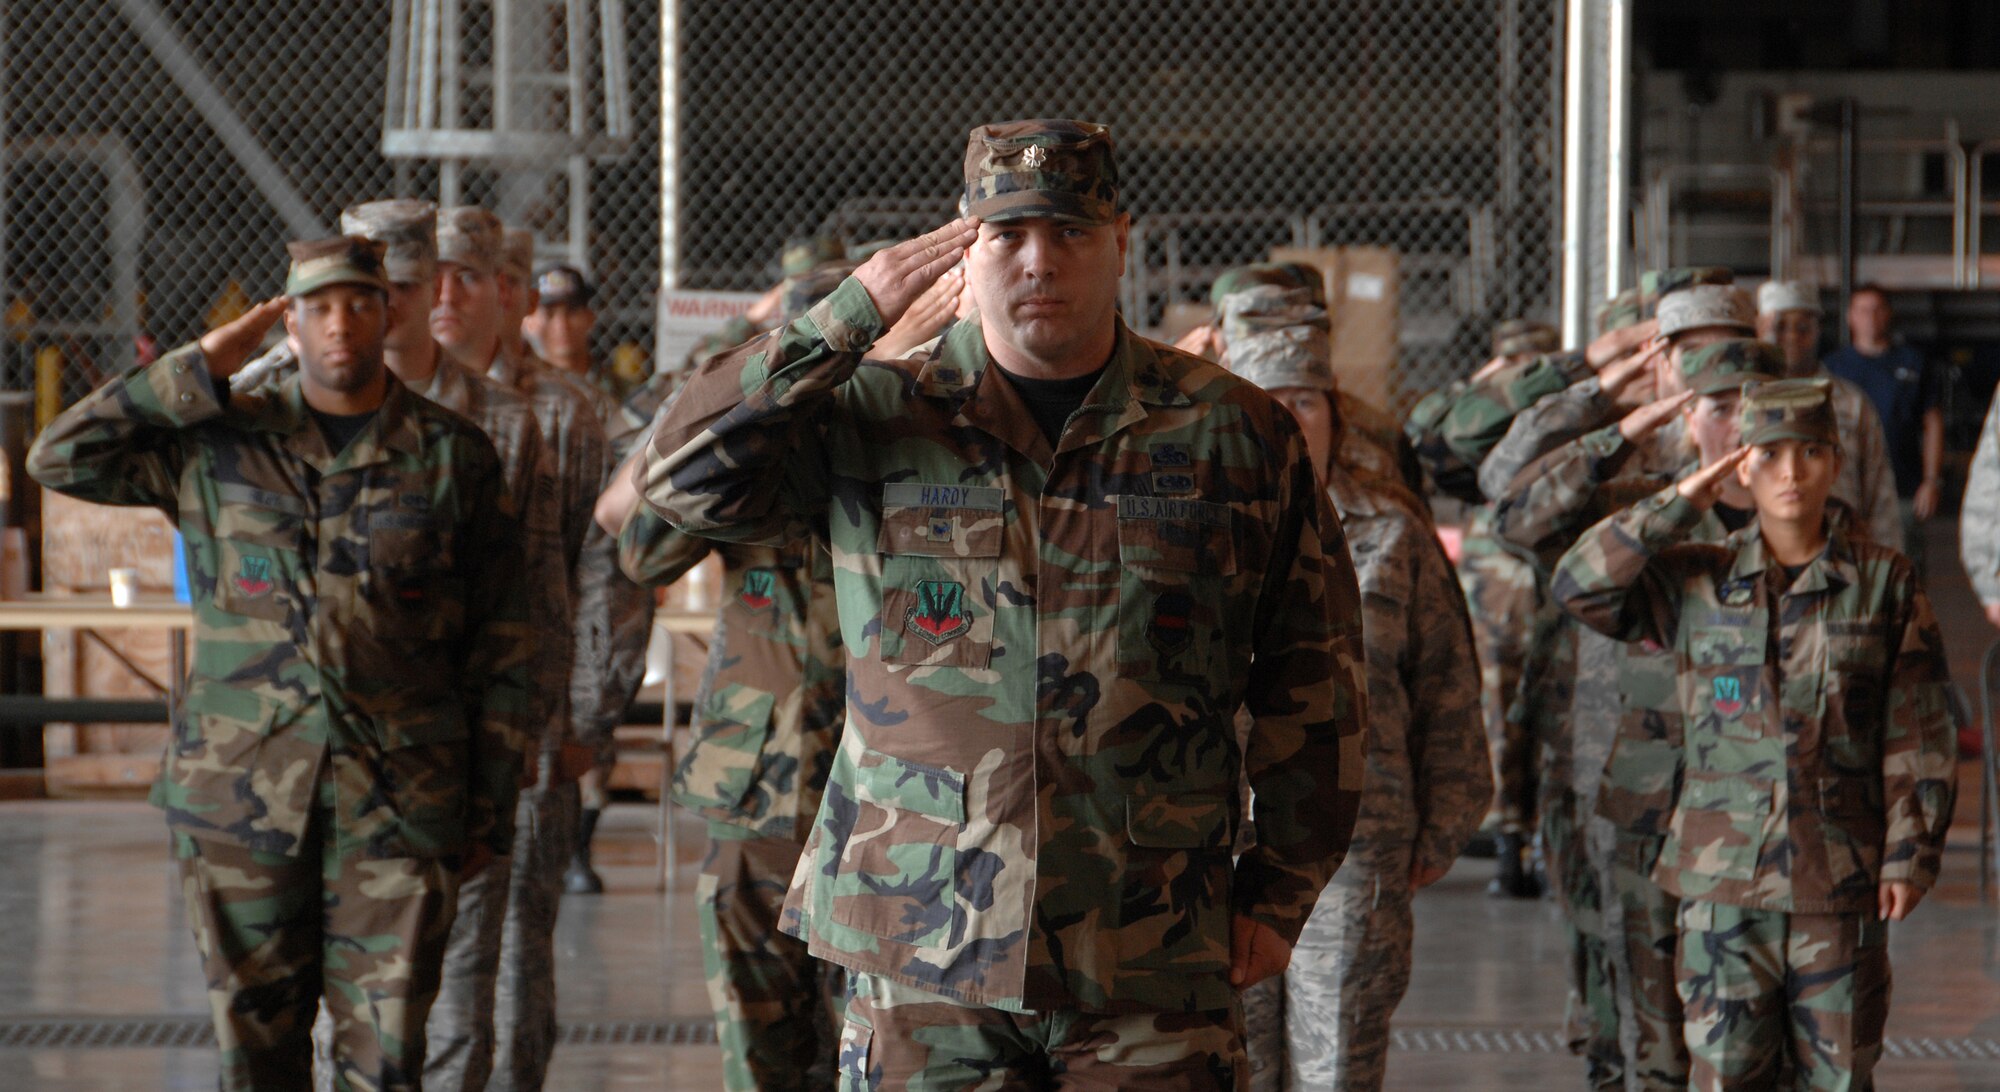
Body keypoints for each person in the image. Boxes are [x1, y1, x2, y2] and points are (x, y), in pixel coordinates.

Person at [639, 118, 1367, 1086]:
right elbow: (676, 486)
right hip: (921, 949)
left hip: (1146, 947)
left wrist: (1279, 893)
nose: (1038, 261)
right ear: (963, 247)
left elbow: (1312, 673)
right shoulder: (875, 413)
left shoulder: (1228, 432)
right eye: (1007, 235)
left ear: (1120, 240)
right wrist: (844, 319)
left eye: (1068, 232)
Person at [28, 236, 532, 1091]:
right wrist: (197, 366)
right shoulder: (216, 442)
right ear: (288, 324)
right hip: (239, 800)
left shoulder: (453, 455)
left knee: (389, 1056)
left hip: (403, 804)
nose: (341, 325)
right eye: (319, 307)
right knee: (253, 1050)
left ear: (390, 312)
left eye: (360, 304)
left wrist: (487, 807)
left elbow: (506, 638)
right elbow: (60, 456)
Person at [1554, 378, 1956, 1090]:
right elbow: (1579, 586)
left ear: (1836, 462)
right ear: (1740, 465)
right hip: (1721, 892)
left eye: (1810, 452)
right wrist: (1678, 504)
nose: (1791, 472)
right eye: (1769, 454)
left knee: (1837, 1079)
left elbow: (1917, 729)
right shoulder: (1694, 578)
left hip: (1839, 886)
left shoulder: (1882, 582)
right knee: (1725, 1076)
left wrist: (1908, 854)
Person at [1492, 337, 1791, 1090]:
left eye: (1759, 410)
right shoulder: (1641, 513)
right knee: (1645, 1032)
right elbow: (1515, 519)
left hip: (1771, 822)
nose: (1742, 428)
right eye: (1721, 410)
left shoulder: (1814, 531)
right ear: (1690, 420)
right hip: (1656, 805)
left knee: (1767, 1039)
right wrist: (1619, 432)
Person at [1224, 295, 1487, 1092]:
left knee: (1336, 1062)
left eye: (1304, 400)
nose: (1288, 419)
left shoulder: (1394, 536)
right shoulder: (1190, 528)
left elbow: (1448, 688)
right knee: (1222, 1061)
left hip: (1353, 850)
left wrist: (1439, 832)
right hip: (1217, 847)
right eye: (1265, 403)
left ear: (1335, 414)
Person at [426, 206, 619, 1091]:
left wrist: (584, 712)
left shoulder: (567, 410)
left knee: (514, 948)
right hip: (426, 728)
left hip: (533, 720)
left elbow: (598, 571)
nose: (444, 296)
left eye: (473, 276)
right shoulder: (405, 399)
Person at [1756, 280, 1902, 551]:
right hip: (1764, 559)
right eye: (1780, 326)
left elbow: (1879, 490)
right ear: (1760, 329)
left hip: (1843, 554)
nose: (1791, 337)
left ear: (1817, 330)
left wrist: (1888, 568)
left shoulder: (1850, 401)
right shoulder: (1746, 404)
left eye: (1803, 327)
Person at [1823, 285, 1944, 567]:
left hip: (1902, 488)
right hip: (1845, 490)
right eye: (1862, 310)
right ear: (1850, 317)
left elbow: (1932, 423)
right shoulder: (1833, 368)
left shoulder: (1912, 363)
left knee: (1904, 571)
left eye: (1877, 309)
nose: (1870, 317)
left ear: (1888, 314)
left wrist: (1931, 481)